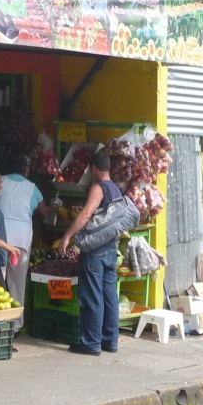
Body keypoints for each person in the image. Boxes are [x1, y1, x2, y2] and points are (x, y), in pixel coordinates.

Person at [59, 151, 121, 356]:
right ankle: (110, 340)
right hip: (111, 249)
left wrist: (67, 236)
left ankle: (92, 343)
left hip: (95, 251)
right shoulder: (116, 190)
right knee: (109, 296)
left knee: (92, 296)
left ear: (93, 169)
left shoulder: (98, 188)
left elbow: (86, 214)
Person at [0, 155, 57, 338]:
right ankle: (15, 325)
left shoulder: (0, 181)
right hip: (21, 237)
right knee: (17, 281)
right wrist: (54, 208)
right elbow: (44, 211)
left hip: (0, 233)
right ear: (27, 171)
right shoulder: (32, 188)